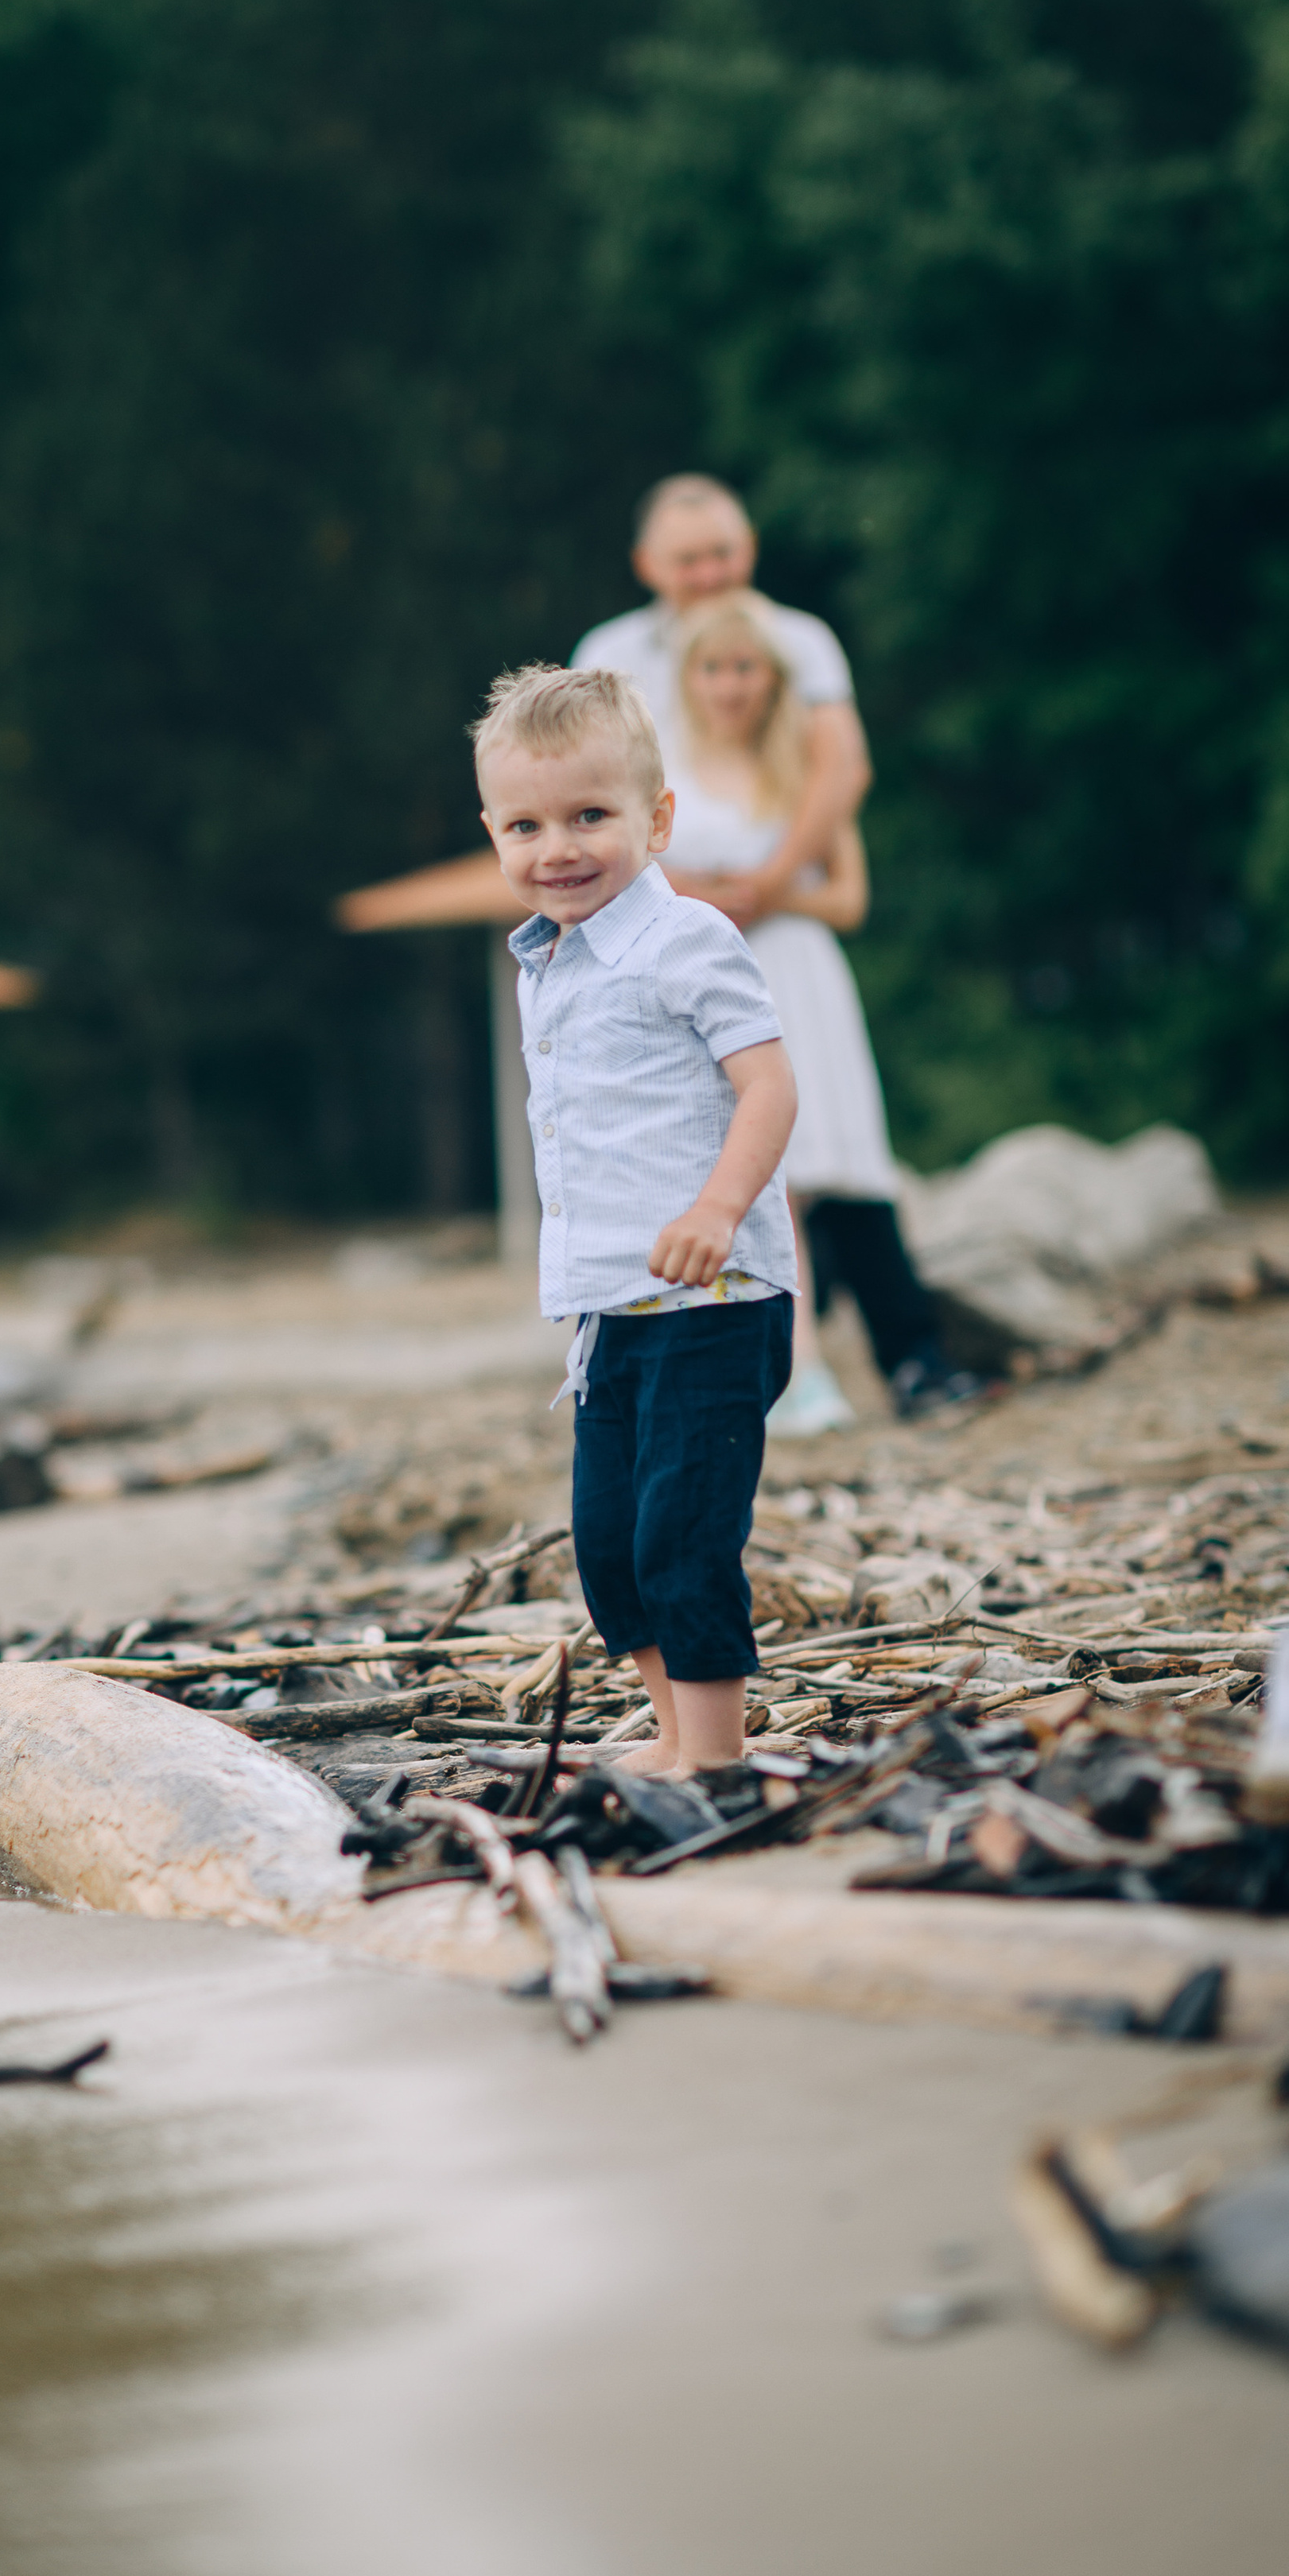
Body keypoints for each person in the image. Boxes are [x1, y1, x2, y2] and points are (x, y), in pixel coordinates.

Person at [472, 661, 798, 1779]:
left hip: (715, 1296)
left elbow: (769, 1086)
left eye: (590, 815)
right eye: (526, 824)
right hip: (611, 1303)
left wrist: (719, 1206)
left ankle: (712, 1752)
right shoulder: (544, 961)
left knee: (681, 1534)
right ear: (493, 833)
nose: (557, 846)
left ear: (657, 819)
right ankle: (669, 1731)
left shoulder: (687, 938)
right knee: (609, 1544)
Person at [664, 588, 980, 1425]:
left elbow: (847, 897)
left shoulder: (805, 770)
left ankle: (867, 1364)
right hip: (710, 978)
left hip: (796, 971)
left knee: (817, 1174)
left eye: (745, 668)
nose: (730, 685)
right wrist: (708, 903)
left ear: (769, 678)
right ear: (686, 678)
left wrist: (767, 897)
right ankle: (790, 1371)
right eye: (713, 668)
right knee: (752, 1179)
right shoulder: (660, 774)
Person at [571, 472, 869, 879]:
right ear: (646, 564)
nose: (709, 575)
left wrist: (768, 882)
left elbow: (843, 770)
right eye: (689, 561)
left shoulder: (804, 639)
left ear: (750, 547)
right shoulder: (606, 653)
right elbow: (583, 785)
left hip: (783, 891)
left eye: (722, 554)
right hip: (643, 888)